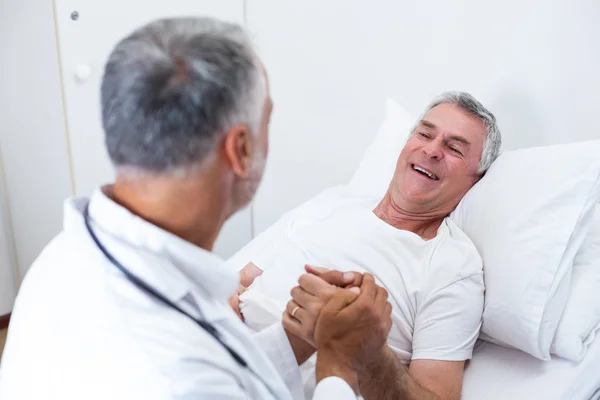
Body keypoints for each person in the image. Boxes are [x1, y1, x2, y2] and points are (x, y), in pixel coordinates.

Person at [0, 17, 394, 400]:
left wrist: (301, 338)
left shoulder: (66, 256)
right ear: (240, 149)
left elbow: (228, 370)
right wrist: (339, 364)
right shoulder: (171, 375)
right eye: (267, 120)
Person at [228, 91, 502, 399]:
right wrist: (220, 300)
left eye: (454, 148)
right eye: (425, 133)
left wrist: (367, 350)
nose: (432, 150)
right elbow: (240, 278)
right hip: (223, 354)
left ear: (475, 179)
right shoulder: (335, 202)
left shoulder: (453, 266)